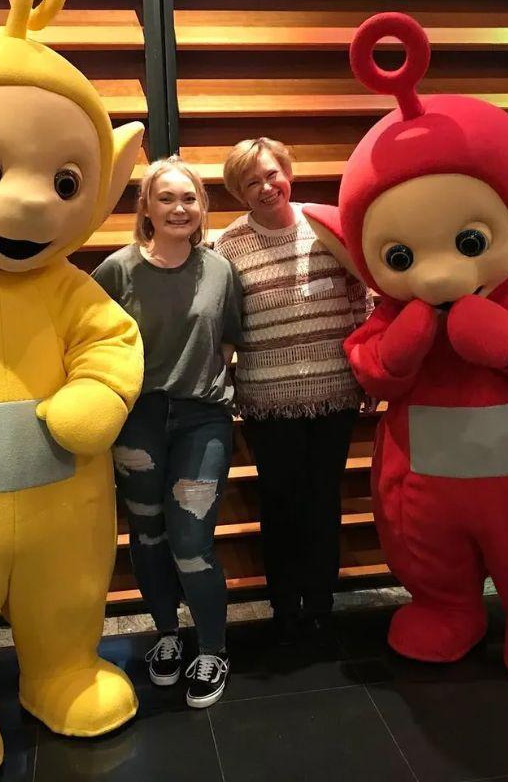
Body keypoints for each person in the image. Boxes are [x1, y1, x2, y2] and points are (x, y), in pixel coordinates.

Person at [92, 156, 243, 708]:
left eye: (189, 198)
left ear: (202, 207)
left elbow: (229, 338)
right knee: (149, 535)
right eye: (166, 198)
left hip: (202, 420)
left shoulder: (220, 270)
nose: (179, 208)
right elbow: (88, 339)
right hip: (138, 423)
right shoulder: (116, 271)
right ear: (146, 208)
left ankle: (213, 649)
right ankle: (167, 635)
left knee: (191, 540)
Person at [215, 137, 373, 644]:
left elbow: (361, 298)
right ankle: (284, 605)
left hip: (334, 394)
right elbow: (224, 322)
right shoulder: (228, 245)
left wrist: (369, 370)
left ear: (288, 172)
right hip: (267, 401)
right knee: (279, 503)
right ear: (239, 193)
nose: (266, 187)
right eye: (251, 182)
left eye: (271, 174)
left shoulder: (327, 225)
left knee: (323, 499)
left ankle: (321, 603)